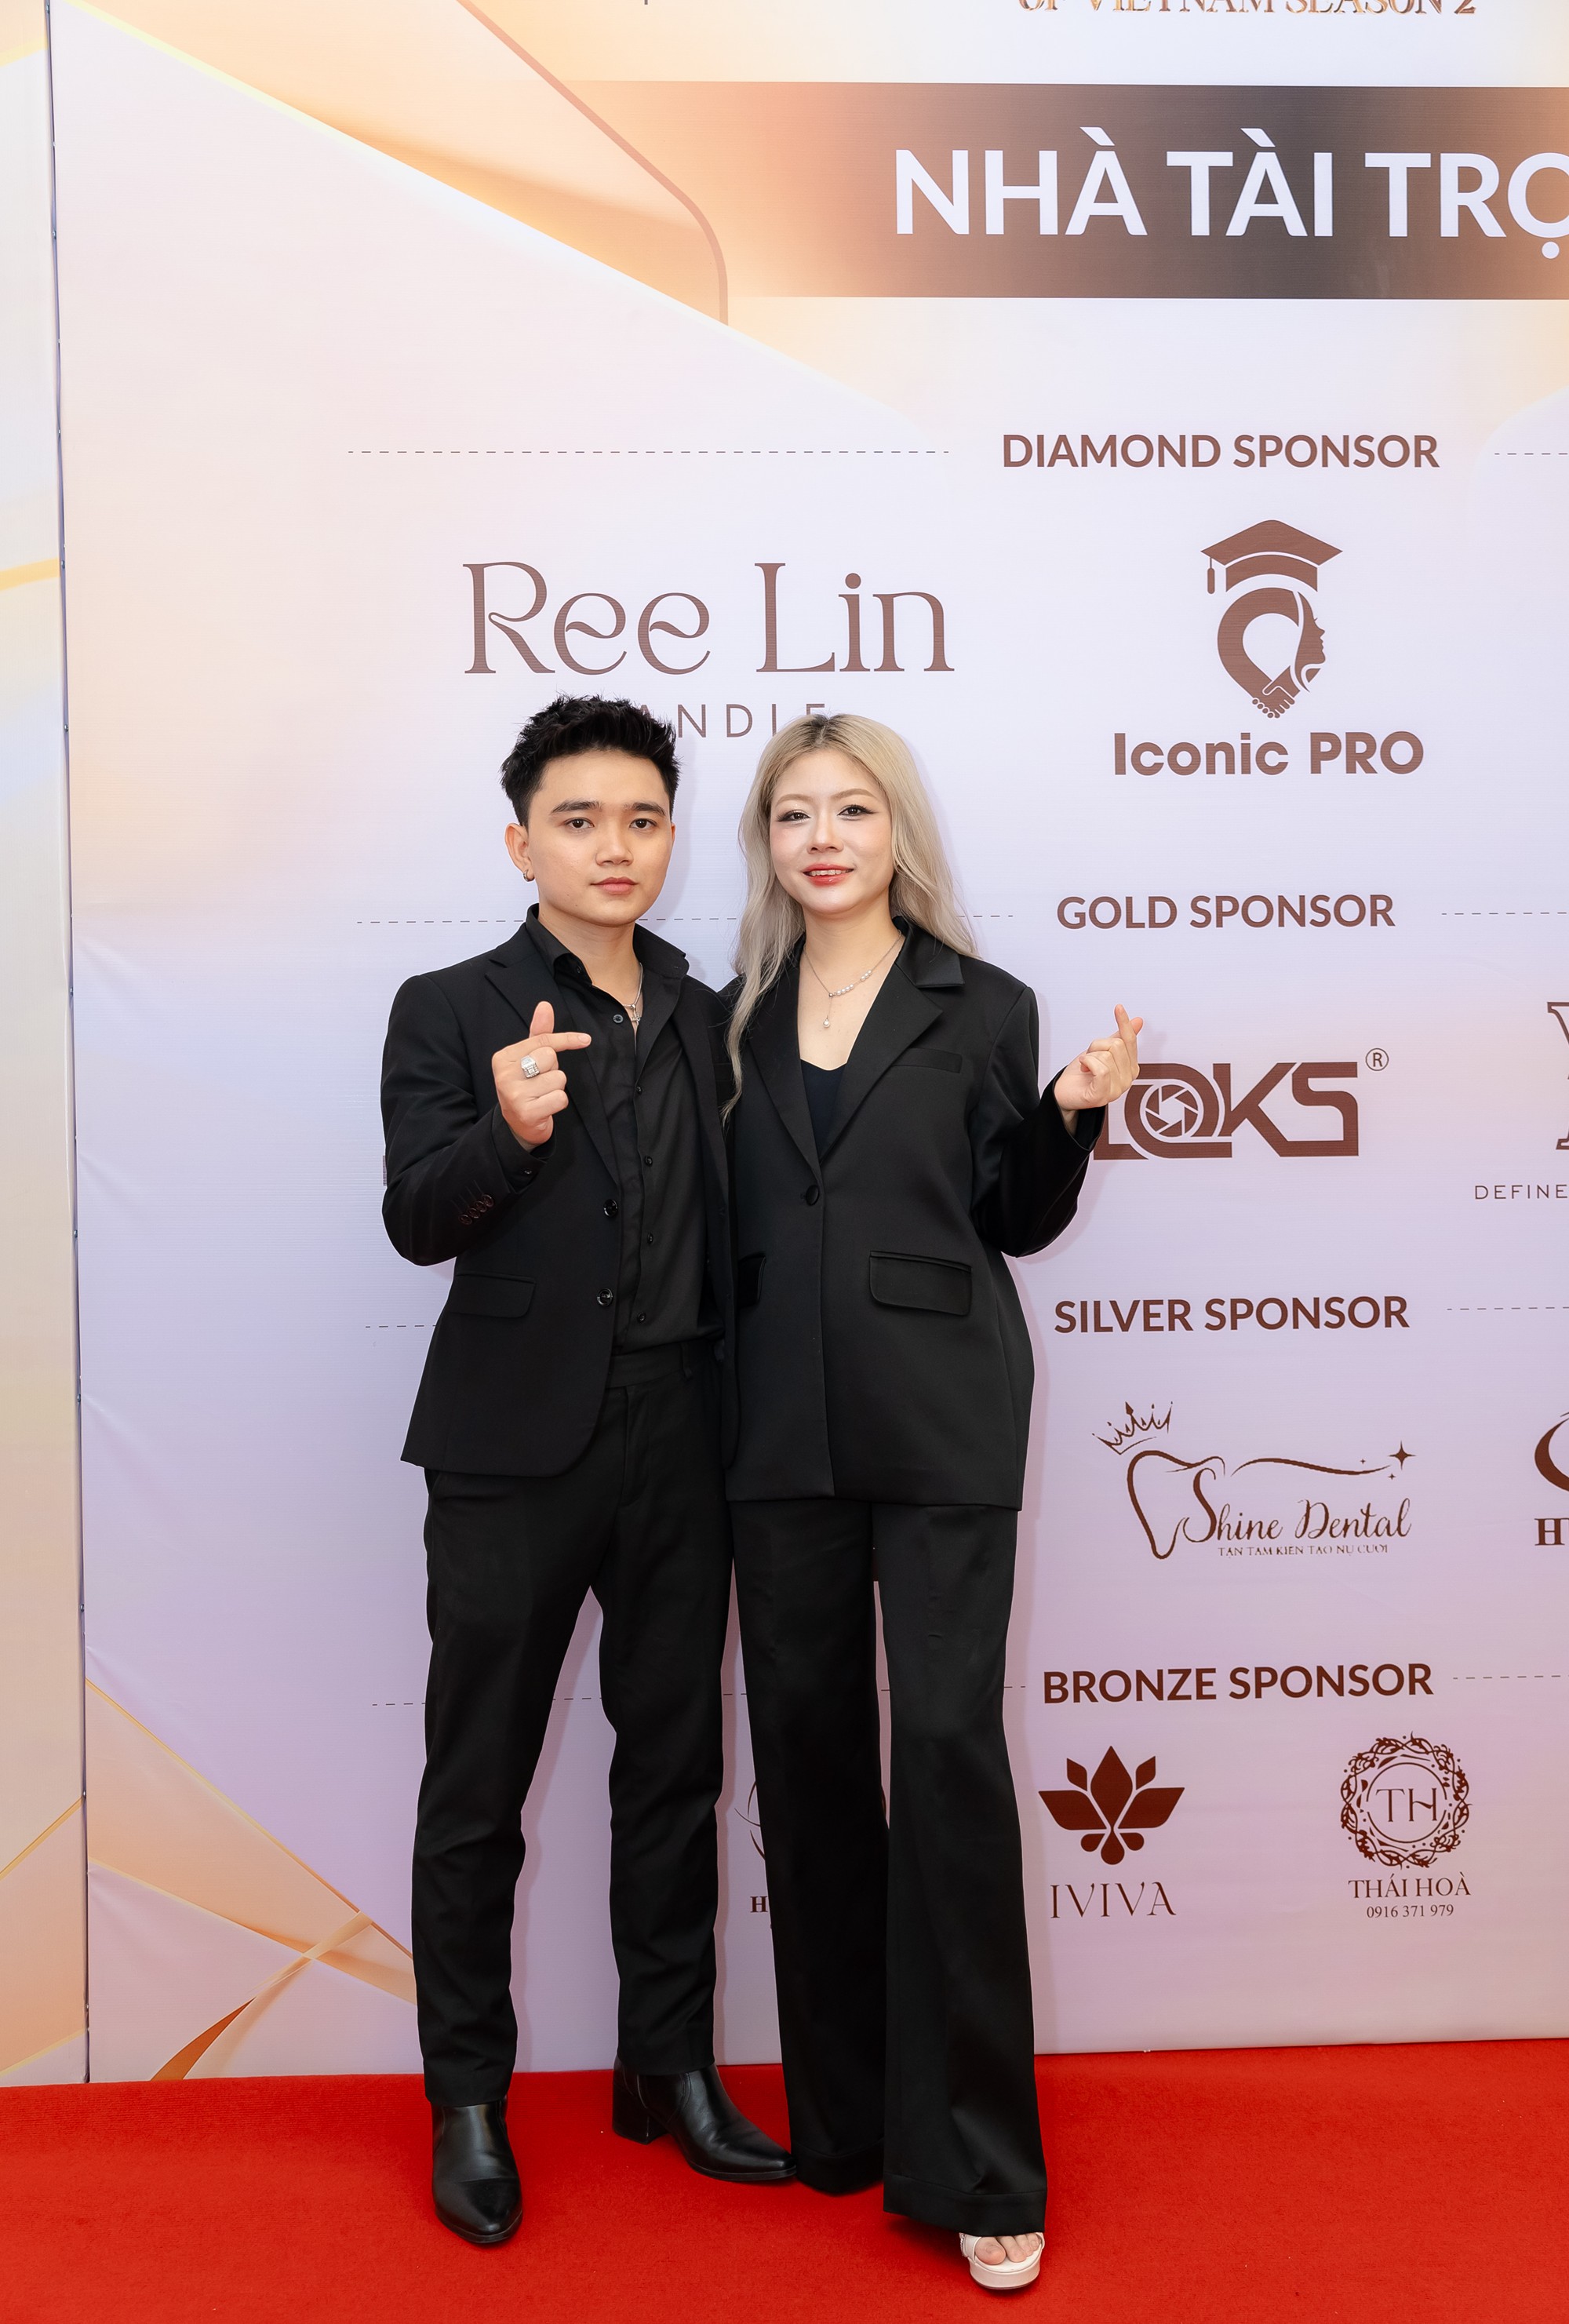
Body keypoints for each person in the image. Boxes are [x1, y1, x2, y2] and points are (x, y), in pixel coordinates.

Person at [723, 712, 1141, 2294]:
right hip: (774, 1428)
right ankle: (844, 2123)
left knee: (949, 1755)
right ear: (766, 842)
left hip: (945, 1417)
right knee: (808, 1760)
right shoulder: (728, 1013)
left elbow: (1012, 1218)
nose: (822, 837)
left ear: (896, 827)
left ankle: (977, 2159)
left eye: (851, 809)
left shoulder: (986, 1000)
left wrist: (1072, 1110)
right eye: (792, 814)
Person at [380, 694, 793, 2248]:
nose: (614, 846)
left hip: (686, 1432)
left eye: (642, 818)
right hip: (511, 1448)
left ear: (671, 837)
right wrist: (504, 1130)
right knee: (476, 1782)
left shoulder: (708, 1009)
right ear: (520, 843)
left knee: (673, 1769)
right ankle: (467, 2099)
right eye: (578, 820)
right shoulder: (449, 1005)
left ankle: (667, 2069)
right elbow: (415, 1217)